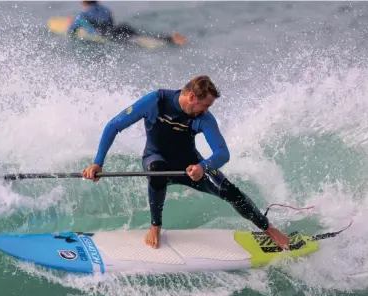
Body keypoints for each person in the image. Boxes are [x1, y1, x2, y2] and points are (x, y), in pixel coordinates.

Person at [82, 76, 290, 250]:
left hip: (191, 166)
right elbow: (114, 126)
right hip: (156, 158)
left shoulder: (204, 119)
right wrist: (97, 163)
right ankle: (155, 227)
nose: (207, 111)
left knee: (230, 191)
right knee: (157, 171)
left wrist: (203, 167)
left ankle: (268, 229)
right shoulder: (156, 101)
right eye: (205, 105)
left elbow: (222, 153)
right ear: (191, 97)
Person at [68, 1, 187, 46]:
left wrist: (72, 24)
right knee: (140, 34)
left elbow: (71, 32)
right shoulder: (106, 9)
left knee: (131, 41)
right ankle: (169, 37)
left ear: (83, 2)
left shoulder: (81, 16)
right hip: (120, 27)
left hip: (108, 34)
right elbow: (110, 22)